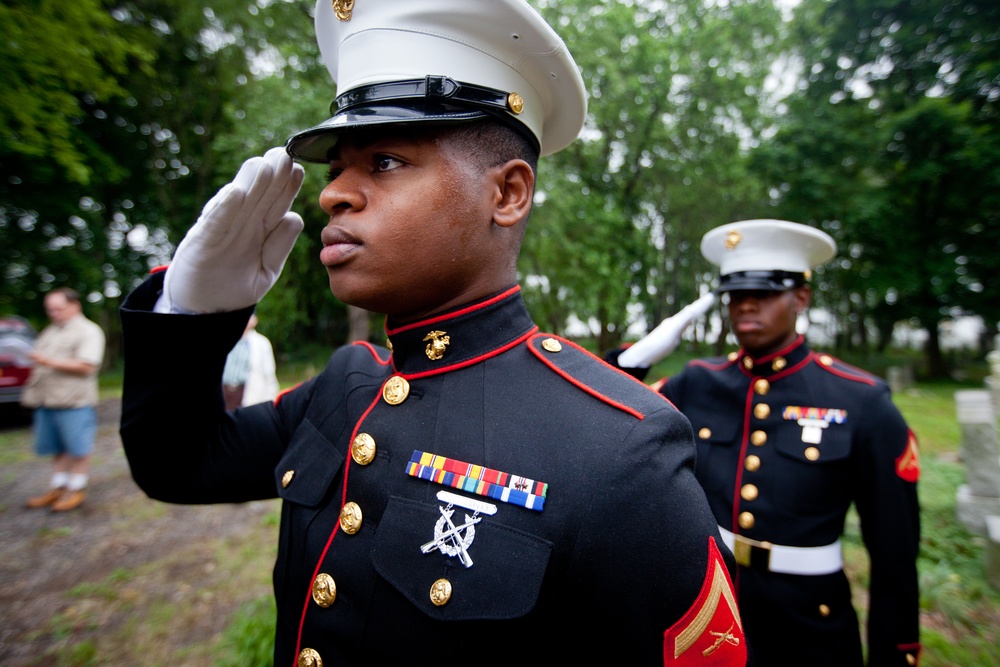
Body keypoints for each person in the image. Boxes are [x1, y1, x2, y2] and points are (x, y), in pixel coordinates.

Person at [118, 1, 747, 664]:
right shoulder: (346, 386)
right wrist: (191, 314)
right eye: (336, 169)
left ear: (506, 194)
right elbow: (176, 462)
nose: (334, 194)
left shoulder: (621, 448)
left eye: (385, 161)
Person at [612, 219, 921, 666]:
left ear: (801, 297)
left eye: (765, 292)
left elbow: (894, 551)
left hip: (809, 623)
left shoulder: (860, 401)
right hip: (710, 613)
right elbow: (611, 412)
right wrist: (634, 359)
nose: (746, 306)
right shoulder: (698, 383)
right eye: (735, 294)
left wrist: (896, 655)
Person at [22, 287, 106, 512]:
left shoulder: (88, 331)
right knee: (57, 447)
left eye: (59, 308)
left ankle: (76, 489)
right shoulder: (51, 331)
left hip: (74, 402)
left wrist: (46, 360)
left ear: (75, 305)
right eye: (50, 309)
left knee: (78, 448)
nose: (54, 313)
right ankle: (58, 486)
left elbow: (87, 365)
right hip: (47, 400)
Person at [222, 313, 280, 409]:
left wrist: (270, 400)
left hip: (247, 392)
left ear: (255, 320)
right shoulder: (226, 339)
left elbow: (269, 374)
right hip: (224, 392)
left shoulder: (261, 343)